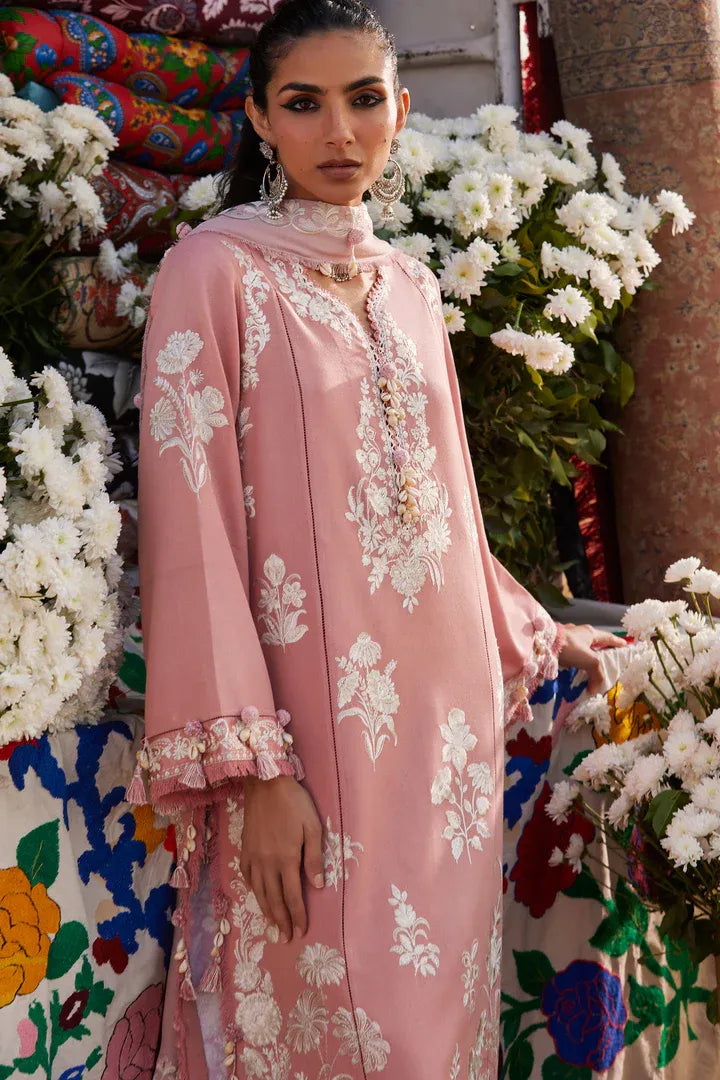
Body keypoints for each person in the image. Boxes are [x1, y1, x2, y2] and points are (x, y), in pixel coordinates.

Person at [134, 1, 622, 1076]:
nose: (339, 133)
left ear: (401, 110)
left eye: (363, 101)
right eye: (304, 104)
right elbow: (190, 529)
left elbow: (444, 512)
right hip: (311, 736)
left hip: (444, 750)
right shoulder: (213, 272)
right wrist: (259, 775)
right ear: (260, 118)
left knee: (439, 1033)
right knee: (339, 1024)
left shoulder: (409, 286)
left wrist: (540, 631)